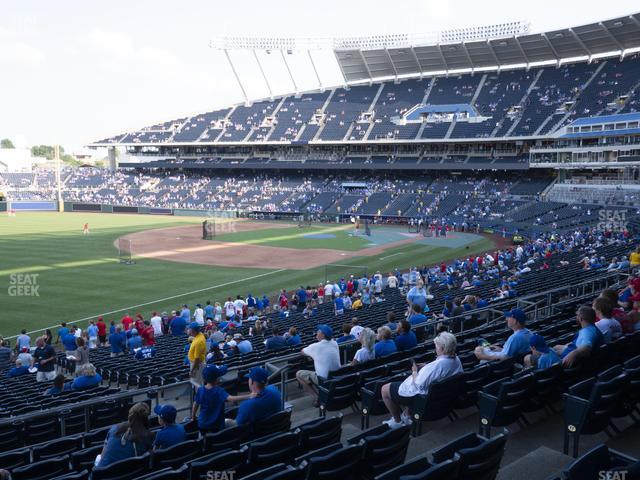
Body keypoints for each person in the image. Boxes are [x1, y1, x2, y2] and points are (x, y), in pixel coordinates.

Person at [381, 332, 462, 429]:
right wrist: (426, 366)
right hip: (442, 396)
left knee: (384, 389)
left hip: (426, 400)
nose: (435, 348)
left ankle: (397, 422)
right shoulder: (457, 359)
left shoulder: (436, 366)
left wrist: (415, 372)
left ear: (442, 348)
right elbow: (441, 368)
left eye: (436, 346)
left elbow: (419, 384)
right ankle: (406, 416)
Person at [191, 365, 252, 433]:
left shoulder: (200, 390)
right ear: (217, 379)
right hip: (217, 425)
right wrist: (249, 396)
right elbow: (231, 399)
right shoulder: (219, 391)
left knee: (203, 437)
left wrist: (193, 417)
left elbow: (195, 404)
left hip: (203, 424)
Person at [96, 402, 153, 468]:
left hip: (103, 473)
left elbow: (103, 455)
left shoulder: (114, 429)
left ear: (130, 416)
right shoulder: (147, 436)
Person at [296, 325, 341, 406]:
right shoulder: (335, 343)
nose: (316, 332)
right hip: (337, 377)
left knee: (298, 374)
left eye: (318, 331)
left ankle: (317, 397)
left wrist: (311, 355)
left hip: (324, 380)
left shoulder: (315, 346)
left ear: (323, 335)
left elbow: (302, 351)